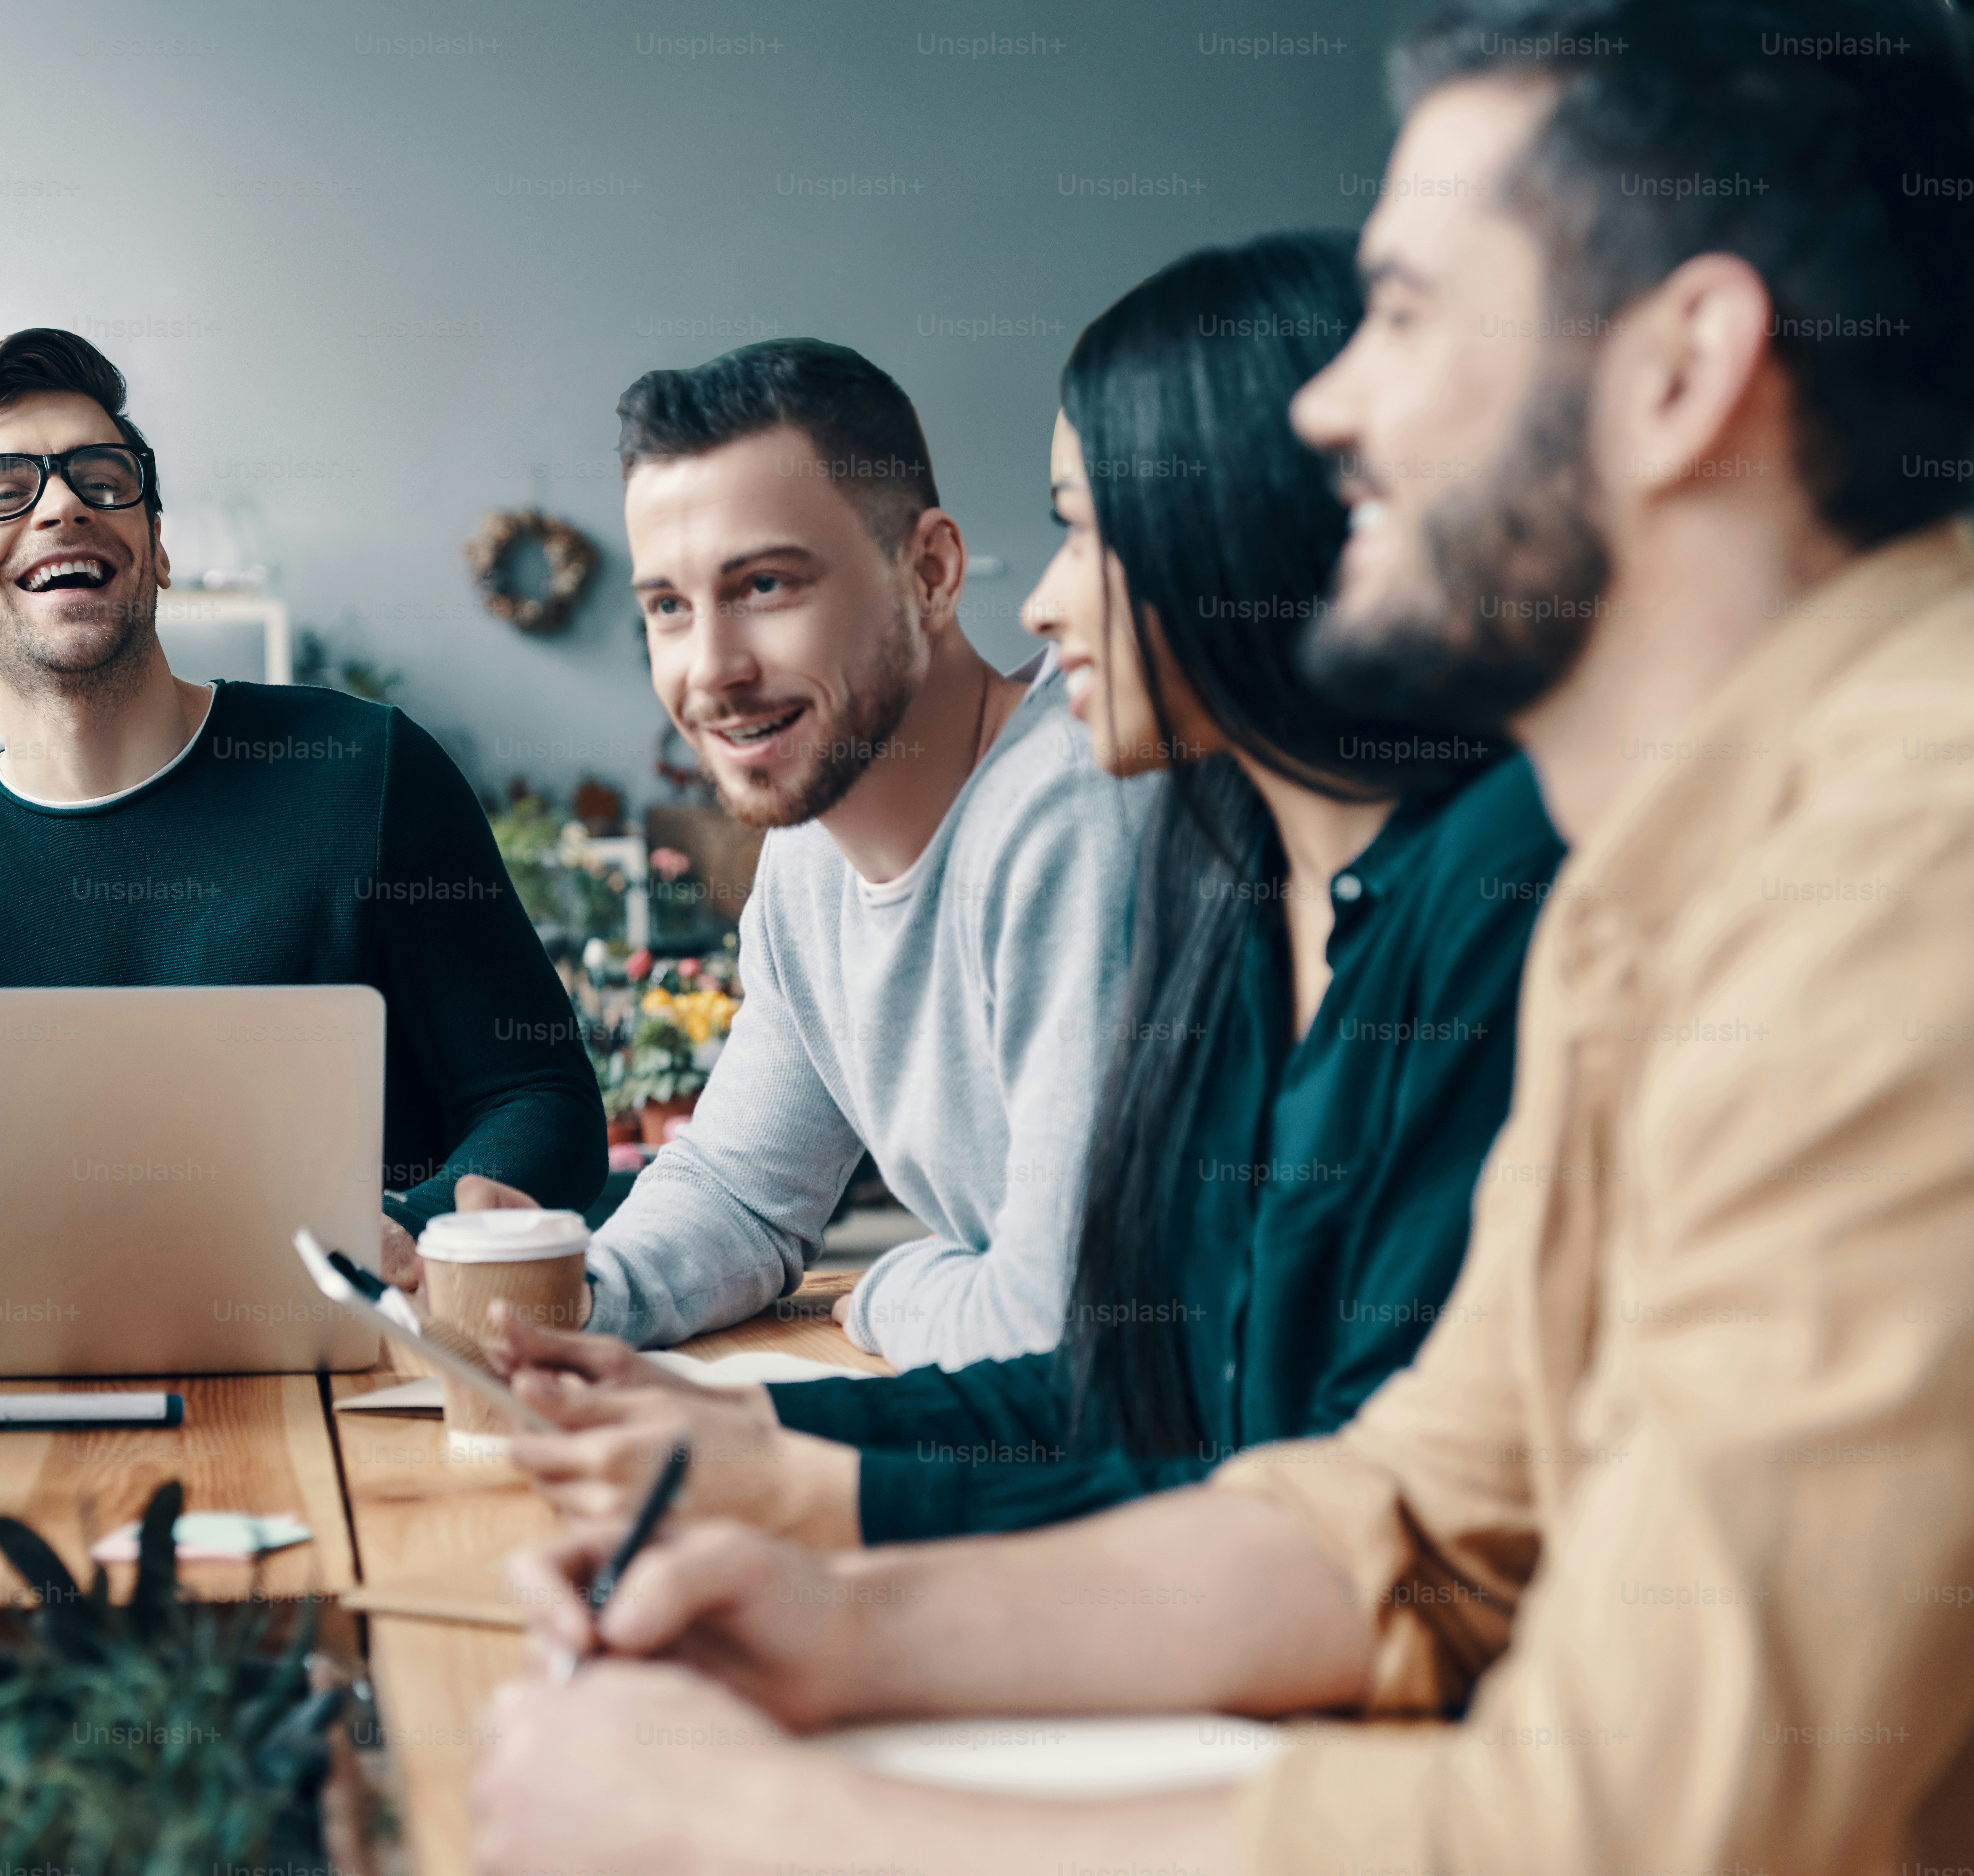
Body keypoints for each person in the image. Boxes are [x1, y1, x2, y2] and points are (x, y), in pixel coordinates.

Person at [470, 1, 1974, 1870]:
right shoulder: (1675, 849)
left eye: (1410, 314)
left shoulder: (1909, 877)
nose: (1328, 404)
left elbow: (1663, 1823)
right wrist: (854, 1626)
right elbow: (1411, 1507)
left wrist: (772, 1819)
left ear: (1683, 372)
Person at [484, 233, 1566, 1545]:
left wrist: (871, 1319)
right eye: (667, 606)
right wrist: (614, 1350)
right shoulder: (1232, 874)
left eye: (764, 587)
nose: (1047, 606)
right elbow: (1137, 1404)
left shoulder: (1147, 823)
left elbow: (1193, 1420)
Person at [0, 329, 604, 1255]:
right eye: (0, 488)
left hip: (368, 1373)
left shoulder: (365, 774)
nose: (64, 503)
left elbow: (539, 1099)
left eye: (102, 475)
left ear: (158, 545)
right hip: (27, 1392)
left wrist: (401, 1235)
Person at [473, 339, 1150, 1370]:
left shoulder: (1072, 814)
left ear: (929, 572)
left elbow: (1060, 1328)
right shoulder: (810, 857)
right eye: (668, 606)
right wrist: (551, 1305)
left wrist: (896, 1288)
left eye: (767, 586)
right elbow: (743, 1189)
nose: (712, 671)